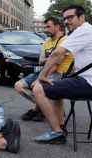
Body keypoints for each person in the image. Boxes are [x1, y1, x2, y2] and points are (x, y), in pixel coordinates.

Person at [32, 5, 92, 144]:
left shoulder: (83, 30)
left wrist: (41, 76)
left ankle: (57, 133)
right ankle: (60, 125)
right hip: (84, 80)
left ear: (81, 17)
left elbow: (58, 53)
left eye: (70, 17)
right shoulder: (87, 31)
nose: (66, 21)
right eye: (65, 19)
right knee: (57, 89)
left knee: (38, 88)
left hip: (87, 83)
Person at [14, 16, 74, 122]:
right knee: (18, 86)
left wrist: (40, 78)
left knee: (36, 86)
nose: (45, 30)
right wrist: (51, 58)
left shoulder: (65, 41)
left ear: (57, 26)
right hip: (44, 70)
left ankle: (37, 110)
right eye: (45, 27)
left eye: (48, 27)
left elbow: (56, 63)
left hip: (59, 73)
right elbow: (41, 60)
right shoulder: (46, 42)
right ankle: (44, 108)